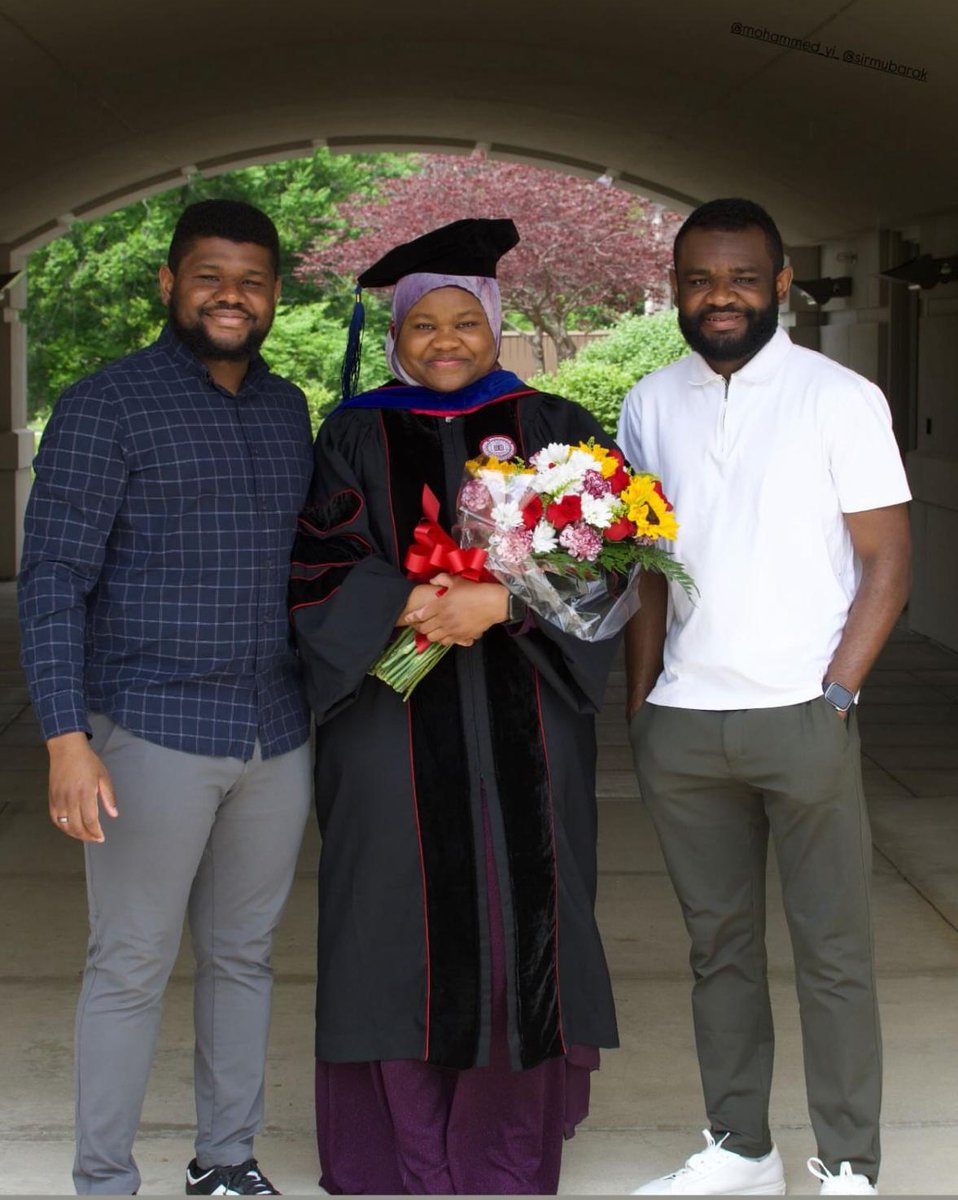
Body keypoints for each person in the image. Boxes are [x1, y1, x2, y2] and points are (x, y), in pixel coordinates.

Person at [289, 217, 619, 1194]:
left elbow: (610, 557)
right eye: (420, 324)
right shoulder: (352, 430)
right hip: (385, 724)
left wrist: (502, 598)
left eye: (462, 321)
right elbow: (310, 560)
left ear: (495, 326)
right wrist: (399, 596)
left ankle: (504, 1159)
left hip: (531, 719)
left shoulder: (555, 424)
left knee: (529, 915)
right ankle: (396, 1159)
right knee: (386, 921)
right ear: (393, 338)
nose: (442, 340)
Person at [18, 199, 315, 1196]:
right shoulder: (107, 404)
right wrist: (66, 736)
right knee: (131, 964)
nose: (231, 296)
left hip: (273, 732)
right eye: (209, 275)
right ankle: (104, 1179)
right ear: (169, 285)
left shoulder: (286, 409)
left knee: (242, 959)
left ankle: (225, 1161)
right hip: (149, 731)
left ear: (274, 293)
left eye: (251, 279)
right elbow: (54, 576)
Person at [617, 198, 911, 1197]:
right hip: (685, 727)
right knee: (718, 950)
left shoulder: (840, 397)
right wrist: (642, 700)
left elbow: (886, 565)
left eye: (742, 277)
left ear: (781, 285)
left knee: (833, 952)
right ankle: (740, 1147)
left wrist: (835, 695)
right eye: (698, 280)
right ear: (675, 290)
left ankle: (846, 1165)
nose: (720, 297)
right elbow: (648, 564)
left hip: (802, 716)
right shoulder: (650, 403)